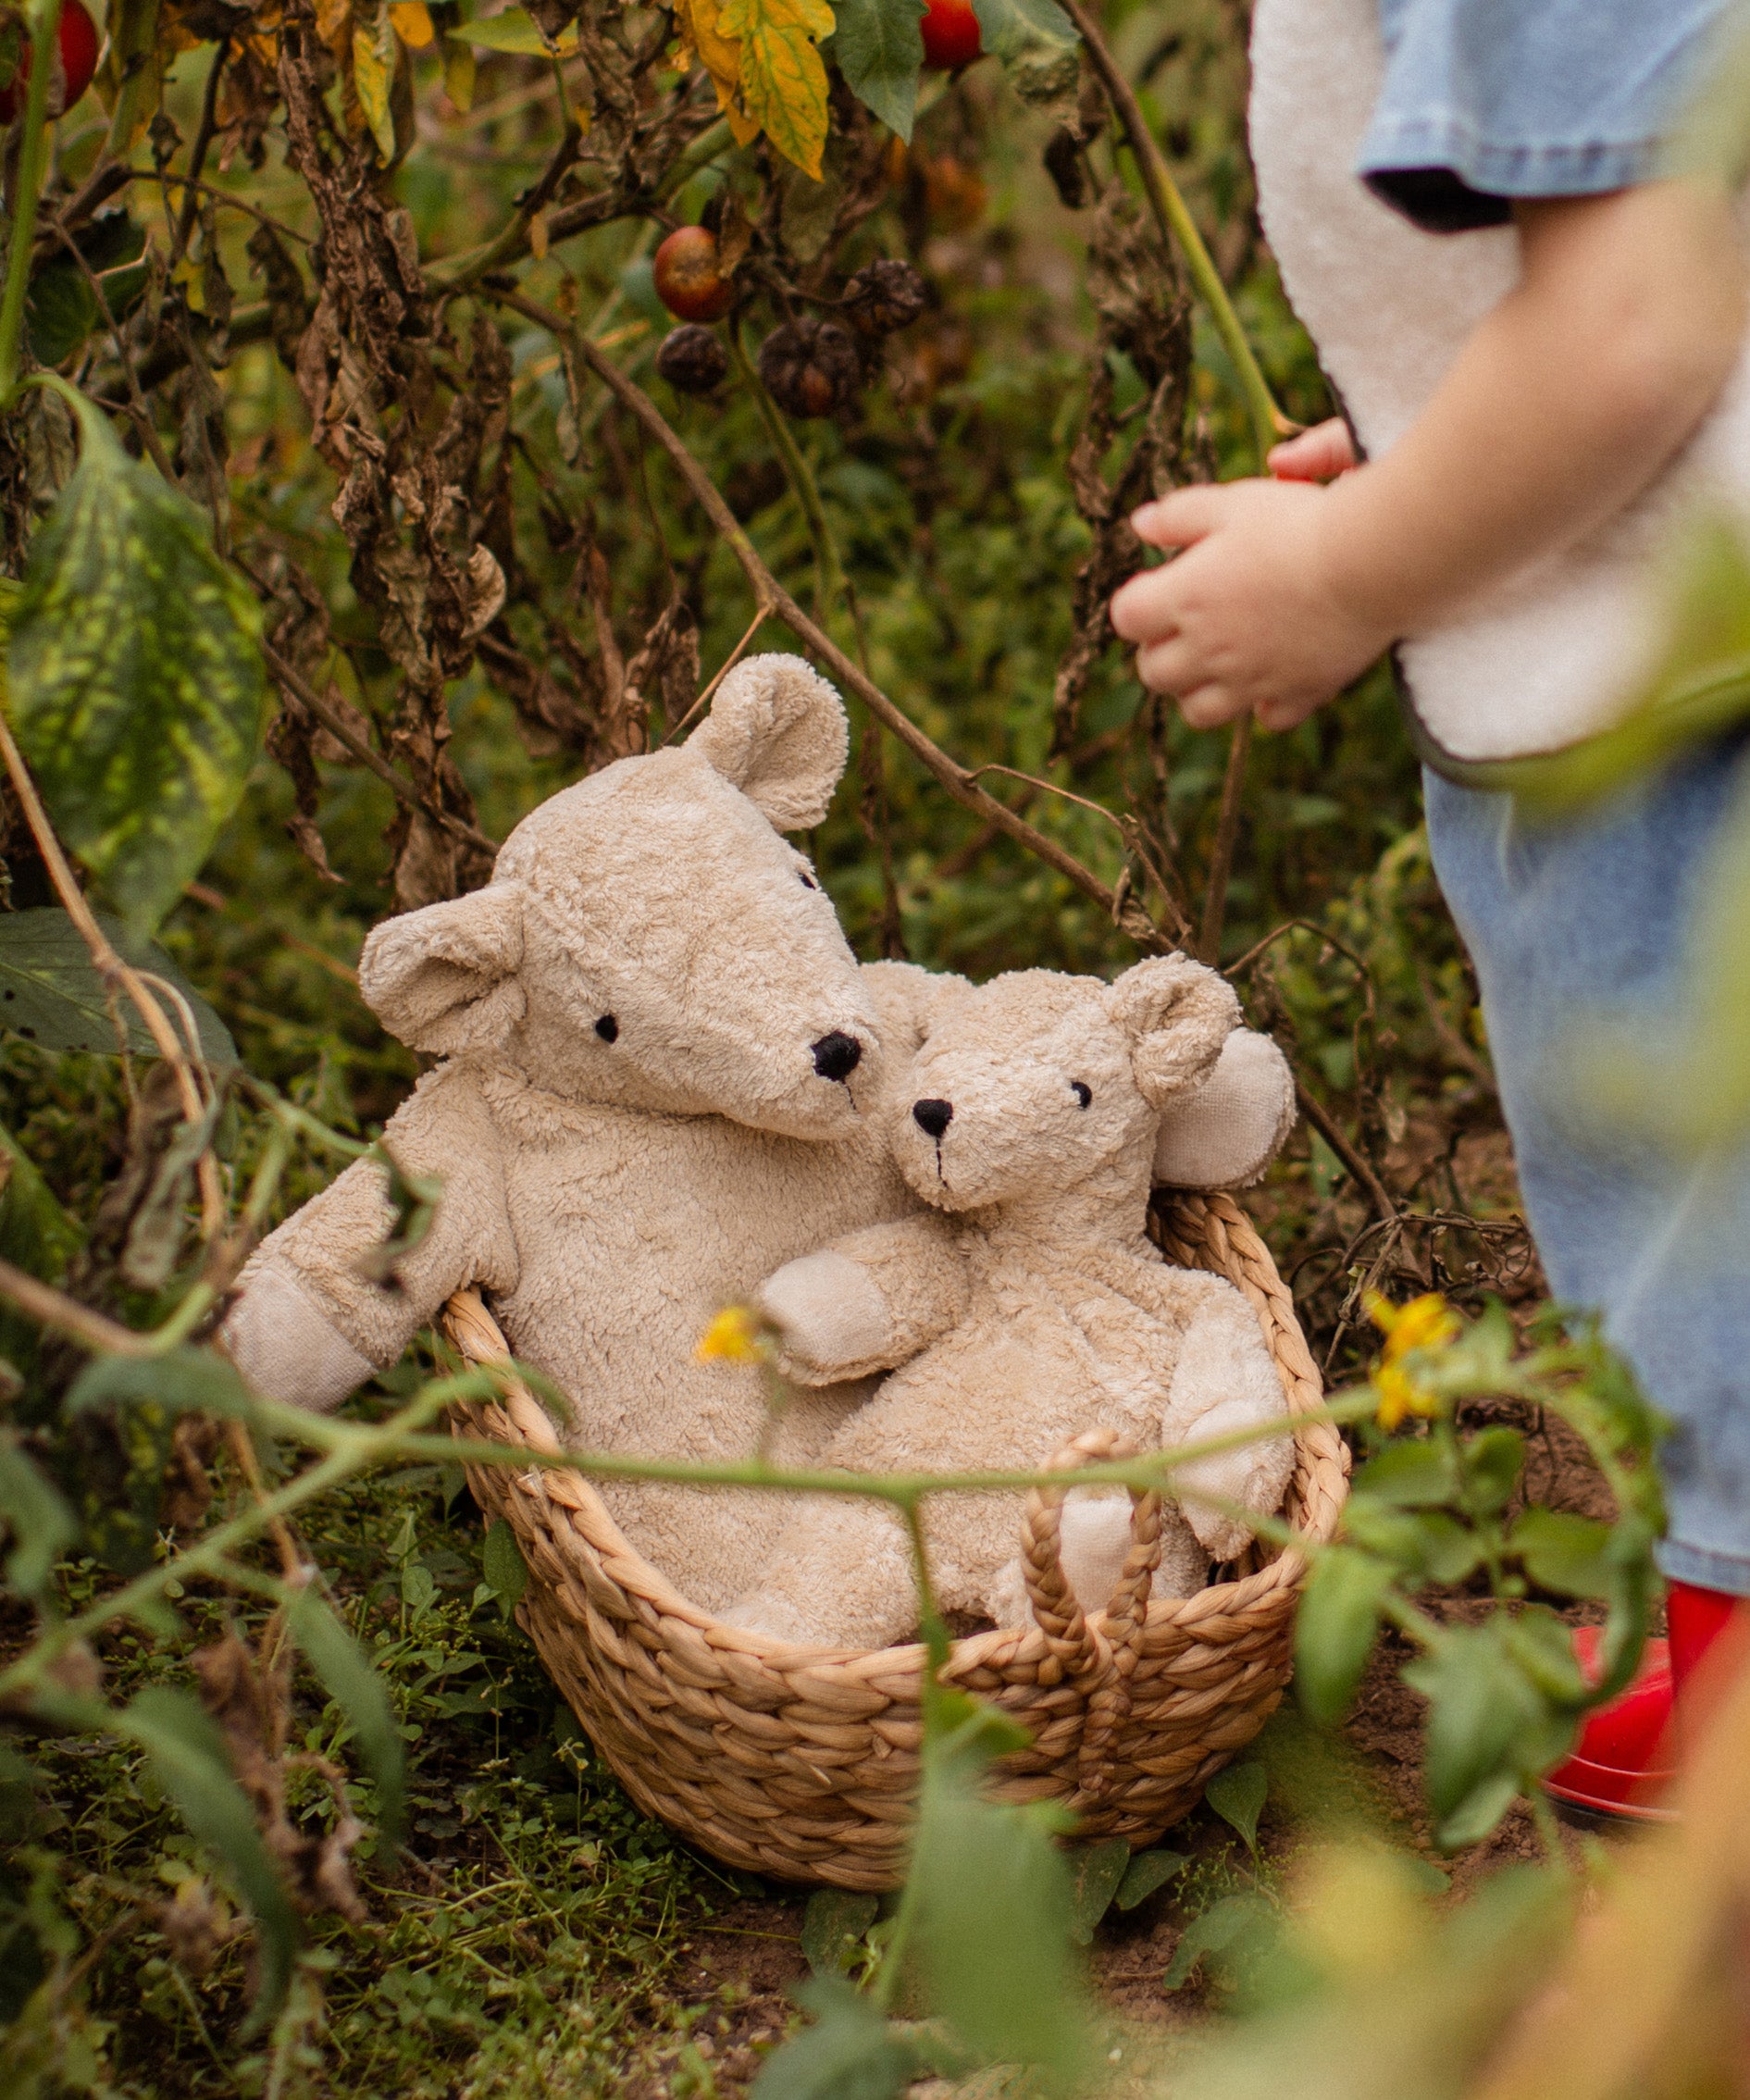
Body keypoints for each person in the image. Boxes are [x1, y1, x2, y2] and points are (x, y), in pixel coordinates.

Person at [1109, 0, 1750, 1818]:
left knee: (1708, 1178)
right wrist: (1439, 440)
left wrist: (1341, 574)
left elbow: (1633, 323)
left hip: (1687, 693)